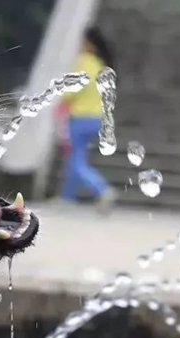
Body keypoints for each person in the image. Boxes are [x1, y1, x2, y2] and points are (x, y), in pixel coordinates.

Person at [60, 26, 117, 212]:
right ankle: (67, 197)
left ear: (89, 44)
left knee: (76, 161)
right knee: (78, 156)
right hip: (97, 118)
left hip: (80, 117)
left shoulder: (83, 61)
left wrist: (62, 102)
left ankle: (103, 189)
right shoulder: (100, 65)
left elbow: (72, 90)